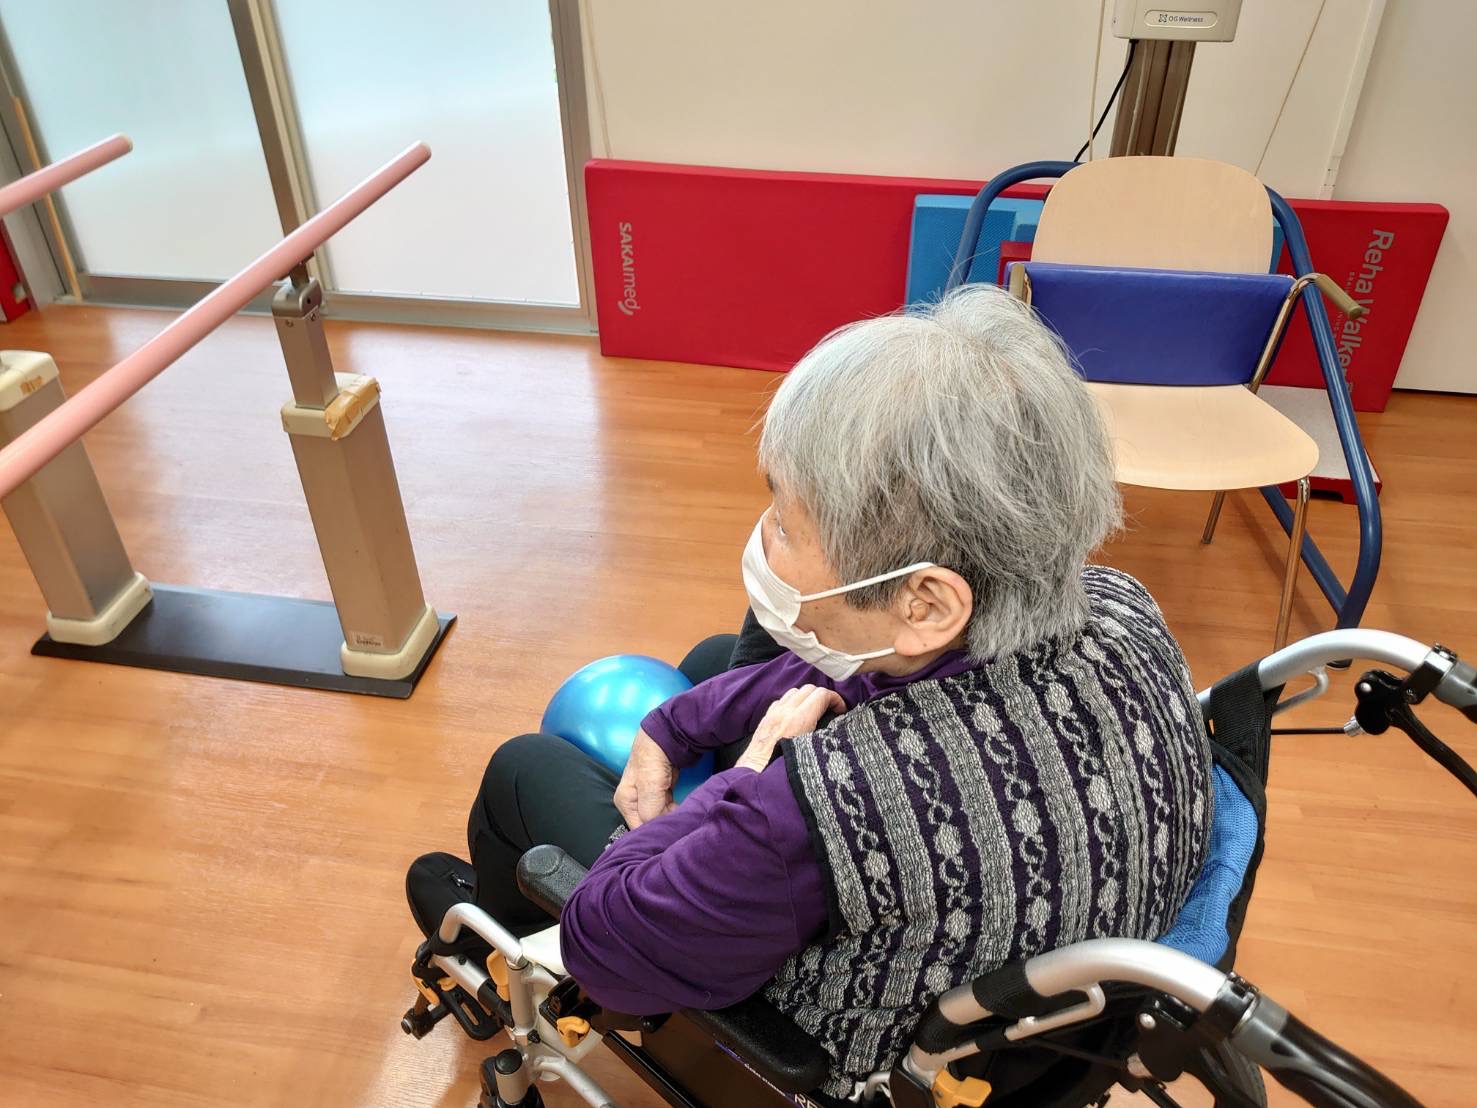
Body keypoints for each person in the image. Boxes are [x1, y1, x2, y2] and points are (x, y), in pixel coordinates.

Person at [407, 283, 1212, 1097]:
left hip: (828, 1034)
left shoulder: (819, 805)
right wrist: (671, 725)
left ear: (925, 603)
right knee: (715, 659)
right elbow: (869, 664)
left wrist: (744, 773)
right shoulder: (1118, 603)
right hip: (1032, 942)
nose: (763, 536)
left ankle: (496, 954)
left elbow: (604, 944)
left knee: (524, 769)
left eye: (788, 524)